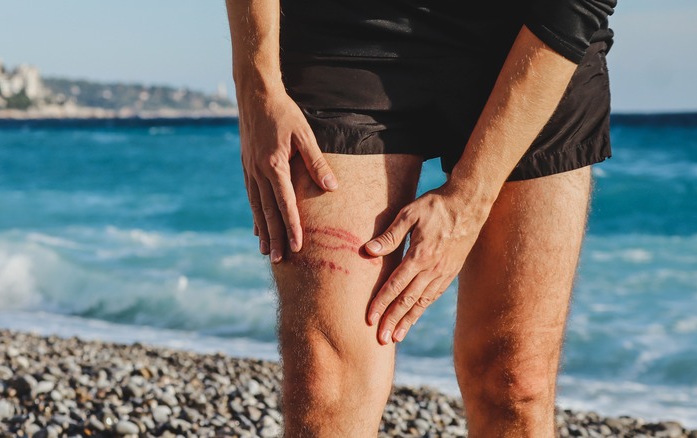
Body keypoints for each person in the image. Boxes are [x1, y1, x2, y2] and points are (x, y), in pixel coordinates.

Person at [225, 0, 616, 436]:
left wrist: (470, 199)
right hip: (344, 29)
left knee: (514, 383)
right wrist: (257, 84)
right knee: (325, 385)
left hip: (531, 36)